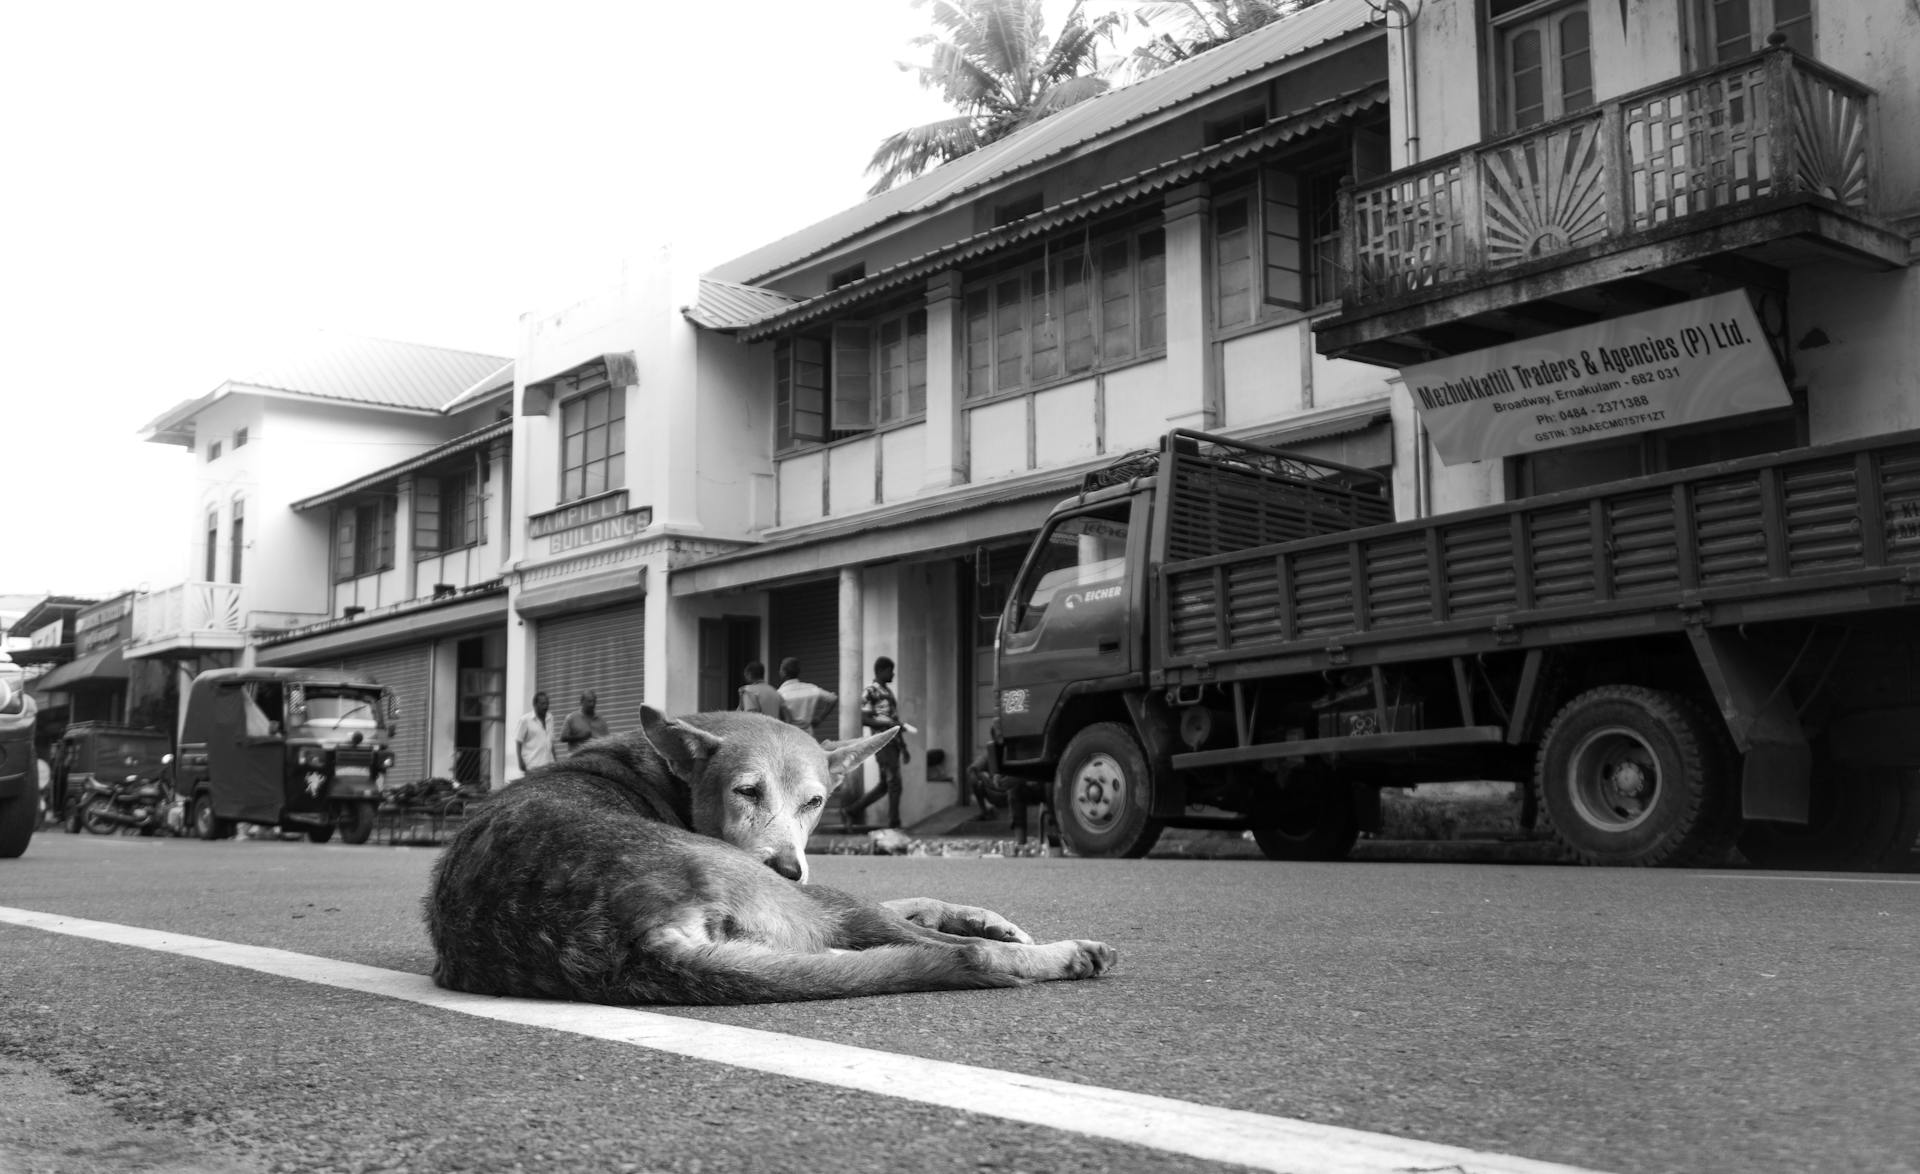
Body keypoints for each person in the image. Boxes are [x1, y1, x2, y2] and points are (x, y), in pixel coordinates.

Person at [844, 656, 911, 831]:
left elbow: (894, 720)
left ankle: (851, 811)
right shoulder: (870, 692)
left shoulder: (888, 693)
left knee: (884, 786)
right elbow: (865, 719)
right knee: (894, 783)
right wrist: (889, 725)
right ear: (881, 671)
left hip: (893, 743)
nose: (893, 674)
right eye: (890, 670)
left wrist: (903, 747)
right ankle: (894, 824)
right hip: (882, 743)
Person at [775, 658, 837, 740]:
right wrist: (820, 718)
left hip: (789, 739)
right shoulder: (810, 689)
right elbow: (833, 698)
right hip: (809, 738)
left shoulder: (779, 694)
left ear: (783, 672)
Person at [513, 691, 554, 779]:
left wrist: (555, 760)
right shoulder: (525, 720)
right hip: (532, 766)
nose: (546, 706)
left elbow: (550, 740)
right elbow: (518, 741)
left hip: (548, 766)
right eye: (543, 704)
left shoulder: (550, 718)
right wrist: (520, 762)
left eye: (547, 703)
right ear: (535, 705)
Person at [559, 690, 609, 757]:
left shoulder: (601, 720)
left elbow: (607, 740)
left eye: (594, 701)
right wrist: (579, 737)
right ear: (582, 702)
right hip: (577, 760)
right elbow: (563, 738)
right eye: (589, 701)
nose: (592, 704)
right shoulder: (572, 717)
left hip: (596, 759)